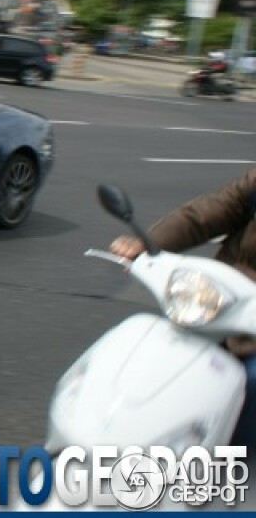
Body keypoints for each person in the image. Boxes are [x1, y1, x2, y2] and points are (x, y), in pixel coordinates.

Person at [109, 167, 256, 449]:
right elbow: (206, 213)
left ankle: (235, 469)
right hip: (221, 303)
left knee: (252, 380)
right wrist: (146, 244)